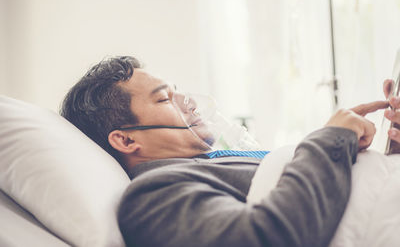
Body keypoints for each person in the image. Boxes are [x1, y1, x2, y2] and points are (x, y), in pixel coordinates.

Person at [61, 56, 392, 247]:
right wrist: (330, 138)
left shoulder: (213, 163)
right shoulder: (151, 197)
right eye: (165, 99)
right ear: (127, 140)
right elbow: (266, 238)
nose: (188, 101)